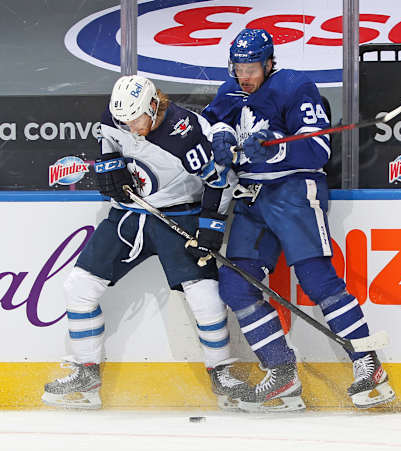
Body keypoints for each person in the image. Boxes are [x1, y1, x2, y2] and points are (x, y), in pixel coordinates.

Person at [200, 28, 396, 412]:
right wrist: (220, 137)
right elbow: (217, 118)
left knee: (317, 280)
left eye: (252, 67)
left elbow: (319, 148)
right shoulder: (230, 89)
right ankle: (282, 373)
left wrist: (274, 148)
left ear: (270, 62)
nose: (244, 76)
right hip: (252, 200)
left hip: (293, 193)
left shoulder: (295, 87)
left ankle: (368, 364)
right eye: (238, 67)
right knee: (237, 285)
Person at [42, 75, 249, 410]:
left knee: (205, 294)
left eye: (136, 120)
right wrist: (110, 170)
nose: (131, 128)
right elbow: (108, 142)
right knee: (78, 287)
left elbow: (220, 180)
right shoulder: (116, 116)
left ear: (154, 106)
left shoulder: (185, 134)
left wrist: (210, 229)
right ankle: (86, 372)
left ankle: (222, 372)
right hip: (127, 215)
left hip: (179, 216)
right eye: (124, 121)